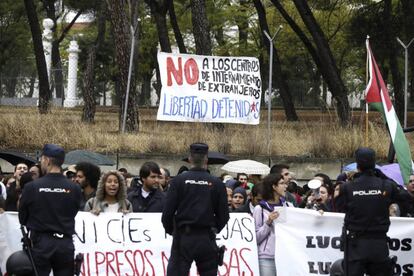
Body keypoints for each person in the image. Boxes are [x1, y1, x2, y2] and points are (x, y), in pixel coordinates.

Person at [162, 143, 229, 276]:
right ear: (206, 160)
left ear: (190, 159)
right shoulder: (217, 184)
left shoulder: (178, 181)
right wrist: (213, 230)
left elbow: (167, 214)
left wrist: (173, 232)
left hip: (183, 238)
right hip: (206, 238)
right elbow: (224, 216)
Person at [336, 147, 406, 276]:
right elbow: (406, 197)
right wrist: (384, 178)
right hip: (378, 246)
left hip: (355, 246)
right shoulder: (386, 185)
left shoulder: (347, 187)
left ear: (357, 165)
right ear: (374, 164)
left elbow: (338, 207)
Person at [18, 144, 81, 276]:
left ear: (46, 160)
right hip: (65, 243)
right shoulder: (74, 188)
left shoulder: (32, 187)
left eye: (41, 160)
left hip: (41, 243)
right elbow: (73, 212)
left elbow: (22, 218)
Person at [253, 173, 293, 276]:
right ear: (274, 187)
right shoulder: (259, 209)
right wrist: (268, 222)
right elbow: (256, 238)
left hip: (286, 255)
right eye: (282, 183)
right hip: (267, 258)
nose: (286, 186)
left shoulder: (289, 206)